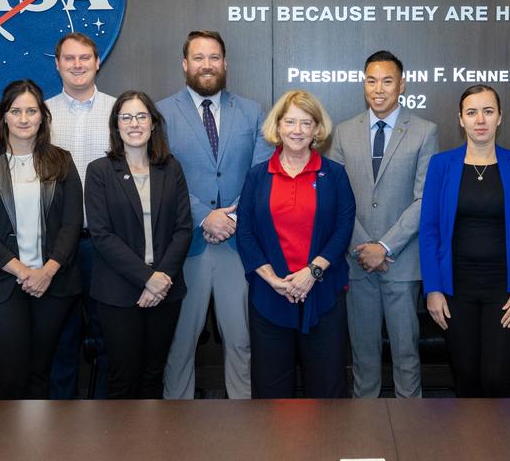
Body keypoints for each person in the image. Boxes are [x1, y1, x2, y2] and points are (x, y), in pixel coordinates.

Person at [160, 30, 272, 399]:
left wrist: (231, 219)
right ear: (184, 64)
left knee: (240, 342)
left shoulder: (253, 112)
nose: (206, 65)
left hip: (237, 245)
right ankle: (174, 431)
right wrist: (204, 216)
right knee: (179, 346)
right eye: (198, 57)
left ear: (225, 63)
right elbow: (162, 177)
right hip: (185, 244)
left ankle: (245, 428)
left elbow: (260, 174)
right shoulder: (161, 113)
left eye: (213, 57)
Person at [326, 50, 437, 398]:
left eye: (387, 81)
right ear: (364, 85)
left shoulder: (424, 132)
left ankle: (410, 431)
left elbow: (424, 199)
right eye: (371, 81)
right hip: (357, 263)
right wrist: (364, 248)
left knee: (406, 355)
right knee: (363, 357)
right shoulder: (343, 133)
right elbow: (337, 199)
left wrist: (385, 246)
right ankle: (365, 432)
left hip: (400, 263)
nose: (379, 89)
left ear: (402, 85)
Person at [0, 79, 83, 399]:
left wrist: (47, 271)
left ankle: (37, 447)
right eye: (16, 111)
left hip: (52, 282)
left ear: (42, 116)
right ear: (3, 116)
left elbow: (72, 225)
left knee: (39, 373)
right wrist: (23, 271)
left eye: (31, 111)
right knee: (10, 376)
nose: (24, 118)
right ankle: (6, 447)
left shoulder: (62, 161)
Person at [420, 84, 510, 398]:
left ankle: (502, 446)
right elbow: (429, 230)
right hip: (454, 288)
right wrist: (432, 290)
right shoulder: (442, 165)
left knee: (497, 379)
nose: (480, 119)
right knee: (467, 378)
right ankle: (467, 448)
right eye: (471, 112)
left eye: (488, 111)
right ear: (461, 119)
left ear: (500, 117)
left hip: (505, 287)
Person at [235, 90, 355, 398]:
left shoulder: (335, 175)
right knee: (271, 391)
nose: (297, 130)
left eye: (305, 122)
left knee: (327, 388)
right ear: (277, 126)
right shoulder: (257, 176)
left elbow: (343, 229)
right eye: (290, 122)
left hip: (323, 293)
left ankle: (327, 448)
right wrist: (273, 280)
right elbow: (245, 233)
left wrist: (311, 273)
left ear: (317, 129)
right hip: (270, 296)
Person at [85, 91, 193, 399]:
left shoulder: (171, 168)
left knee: (153, 374)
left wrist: (161, 279)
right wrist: (147, 278)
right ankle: (121, 448)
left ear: (154, 124)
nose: (134, 124)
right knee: (123, 377)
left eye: (141, 116)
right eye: (126, 117)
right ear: (116, 125)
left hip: (166, 290)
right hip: (119, 292)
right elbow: (102, 234)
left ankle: (151, 446)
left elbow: (183, 229)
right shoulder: (100, 171)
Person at [44, 32, 115, 398]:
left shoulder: (119, 112)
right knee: (61, 337)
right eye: (69, 58)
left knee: (108, 337)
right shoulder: (40, 114)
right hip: (56, 247)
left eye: (84, 57)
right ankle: (61, 423)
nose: (77, 65)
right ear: (56, 64)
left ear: (97, 61)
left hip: (105, 245)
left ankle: (106, 422)